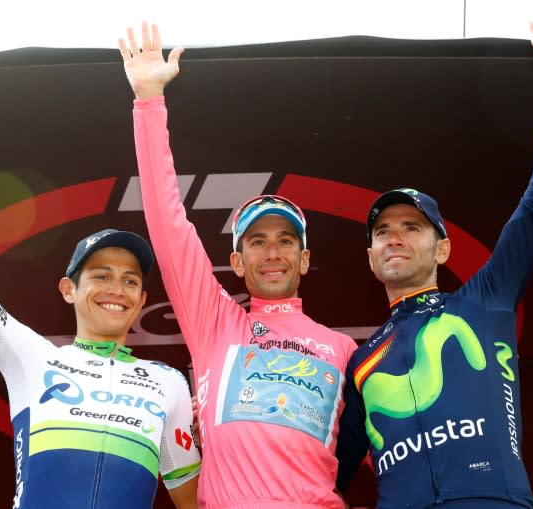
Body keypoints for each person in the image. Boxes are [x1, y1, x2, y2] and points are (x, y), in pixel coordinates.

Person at [0, 70, 200, 509]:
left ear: (142, 302)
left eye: (130, 280)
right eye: (100, 275)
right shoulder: (30, 356)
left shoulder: (167, 384)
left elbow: (190, 499)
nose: (116, 288)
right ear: (68, 289)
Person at [334, 6, 533, 509]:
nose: (395, 238)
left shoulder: (485, 300)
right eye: (383, 231)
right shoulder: (361, 362)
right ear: (370, 258)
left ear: (443, 247)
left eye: (412, 227)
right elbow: (322, 478)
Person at [119, 23, 358, 509]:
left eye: (286, 241)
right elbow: (168, 223)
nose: (272, 253)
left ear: (304, 258)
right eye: (257, 241)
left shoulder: (344, 349)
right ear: (237, 261)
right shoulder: (215, 323)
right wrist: (148, 101)